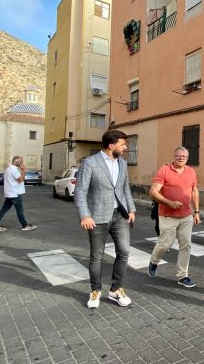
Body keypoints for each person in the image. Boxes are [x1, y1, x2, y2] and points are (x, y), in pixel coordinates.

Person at [74, 130, 137, 309]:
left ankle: (116, 289)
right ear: (111, 145)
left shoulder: (123, 164)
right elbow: (80, 191)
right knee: (96, 256)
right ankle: (95, 290)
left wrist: (131, 209)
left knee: (124, 252)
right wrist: (85, 214)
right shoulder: (90, 163)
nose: (125, 148)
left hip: (120, 216)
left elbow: (125, 189)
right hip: (97, 217)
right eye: (122, 144)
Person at [147, 147, 200, 288]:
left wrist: (197, 212)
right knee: (166, 244)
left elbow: (194, 191)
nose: (181, 158)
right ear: (174, 156)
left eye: (184, 156)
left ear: (187, 158)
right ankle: (154, 261)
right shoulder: (164, 171)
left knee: (186, 245)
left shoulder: (191, 172)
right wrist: (169, 203)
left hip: (186, 216)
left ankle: (182, 276)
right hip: (167, 215)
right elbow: (153, 192)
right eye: (178, 156)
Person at [0, 156, 37, 232]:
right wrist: (24, 170)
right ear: (17, 162)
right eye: (21, 162)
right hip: (15, 194)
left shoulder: (8, 169)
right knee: (20, 210)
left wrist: (21, 171)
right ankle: (25, 225)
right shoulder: (14, 170)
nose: (22, 164)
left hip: (10, 193)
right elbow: (21, 179)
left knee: (3, 210)